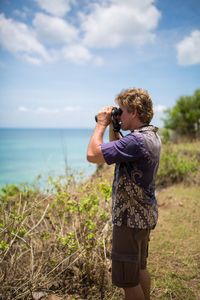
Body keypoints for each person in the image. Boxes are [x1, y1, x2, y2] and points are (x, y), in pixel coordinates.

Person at [87, 87, 161, 300]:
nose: (119, 113)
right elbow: (118, 150)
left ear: (134, 112)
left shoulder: (136, 141)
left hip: (128, 220)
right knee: (139, 269)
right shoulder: (150, 136)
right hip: (144, 216)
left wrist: (101, 124)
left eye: (122, 110)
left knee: (128, 282)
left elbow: (93, 154)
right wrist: (116, 126)